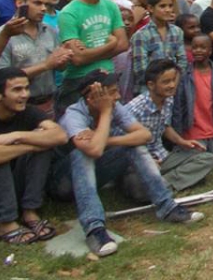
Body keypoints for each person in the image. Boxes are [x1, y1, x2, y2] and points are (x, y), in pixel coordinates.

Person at [49, 70, 204, 257]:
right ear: (93, 97)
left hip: (94, 174)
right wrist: (105, 112)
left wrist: (106, 139)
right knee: (82, 154)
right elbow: (94, 151)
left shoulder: (115, 106)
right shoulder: (74, 114)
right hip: (62, 183)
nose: (119, 96)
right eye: (113, 92)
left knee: (135, 145)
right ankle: (94, 229)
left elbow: (144, 135)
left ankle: (166, 206)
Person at [0, 67, 67, 244]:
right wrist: (28, 146)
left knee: (43, 145)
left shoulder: (28, 112)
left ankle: (30, 211)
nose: (25, 95)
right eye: (17, 90)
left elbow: (60, 136)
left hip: (13, 189)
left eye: (26, 88)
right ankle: (5, 223)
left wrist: (16, 136)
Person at [122, 60, 213, 202]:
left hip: (162, 156)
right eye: (166, 82)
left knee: (207, 158)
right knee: (136, 189)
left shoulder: (168, 100)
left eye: (173, 80)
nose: (172, 85)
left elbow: (165, 126)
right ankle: (171, 182)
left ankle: (164, 184)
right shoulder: (134, 109)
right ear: (151, 85)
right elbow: (121, 145)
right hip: (138, 162)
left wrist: (182, 142)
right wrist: (146, 160)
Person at [54, 0, 128, 117]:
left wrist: (89, 53)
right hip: (78, 82)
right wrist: (109, 45)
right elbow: (77, 59)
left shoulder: (110, 6)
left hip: (107, 77)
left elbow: (123, 44)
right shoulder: (69, 13)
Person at [0, 0, 71, 117]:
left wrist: (64, 58)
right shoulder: (2, 36)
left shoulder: (50, 31)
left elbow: (59, 68)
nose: (43, 9)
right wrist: (45, 65)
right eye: (37, 3)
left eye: (45, 4)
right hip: (16, 109)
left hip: (48, 103)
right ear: (20, 3)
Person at [171, 34, 213, 154]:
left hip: (211, 123)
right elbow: (179, 103)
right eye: (195, 47)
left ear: (210, 50)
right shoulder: (185, 73)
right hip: (192, 125)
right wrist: (178, 128)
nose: (198, 51)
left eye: (203, 47)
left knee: (210, 157)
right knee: (194, 157)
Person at [129, 0, 185, 97]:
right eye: (162, 6)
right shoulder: (141, 35)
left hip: (173, 90)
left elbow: (182, 61)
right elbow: (140, 70)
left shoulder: (177, 32)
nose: (168, 10)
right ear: (150, 8)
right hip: (148, 93)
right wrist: (162, 84)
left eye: (170, 6)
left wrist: (173, 83)